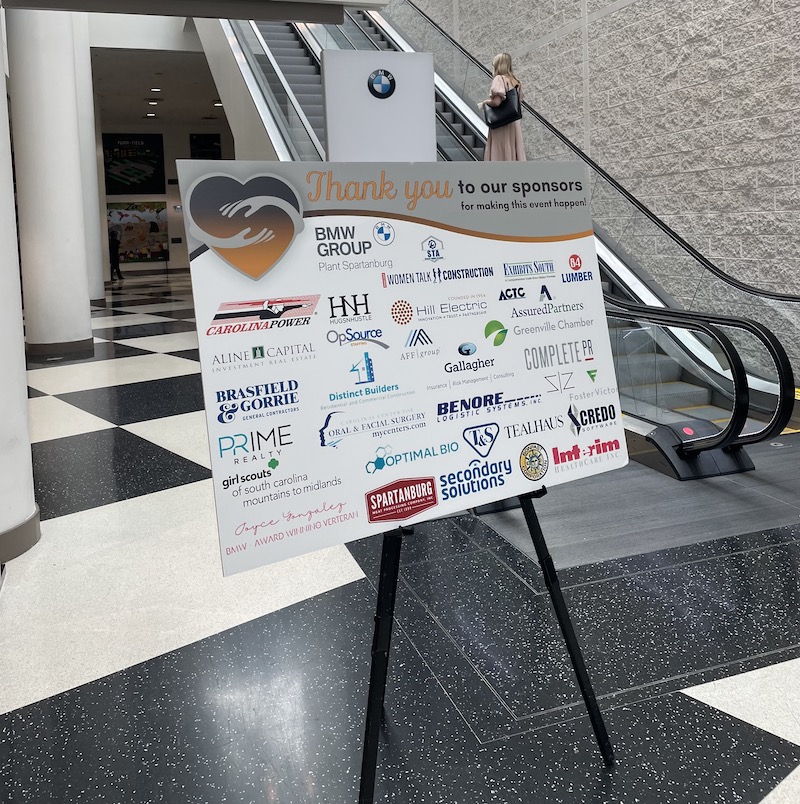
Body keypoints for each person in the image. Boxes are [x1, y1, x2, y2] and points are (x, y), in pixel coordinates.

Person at [479, 53, 527, 162]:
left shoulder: (499, 79)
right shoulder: (516, 81)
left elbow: (496, 102)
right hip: (513, 123)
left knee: (500, 152)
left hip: (501, 124)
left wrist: (485, 102)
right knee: (512, 152)